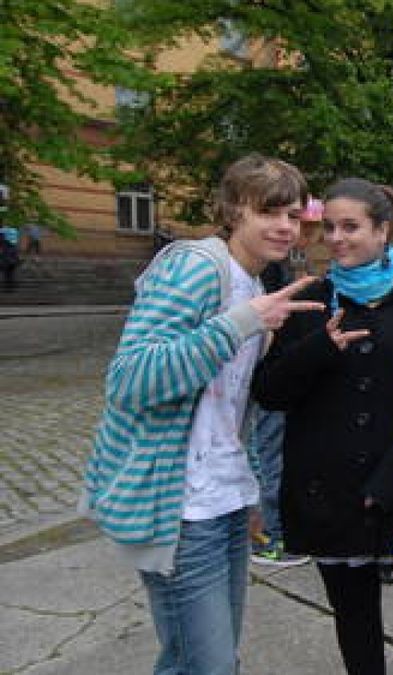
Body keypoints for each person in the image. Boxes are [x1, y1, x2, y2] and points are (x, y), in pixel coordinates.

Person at [80, 154, 321, 674]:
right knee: (206, 664)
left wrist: (249, 486)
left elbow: (232, 408)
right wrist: (239, 325)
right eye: (270, 212)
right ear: (234, 210)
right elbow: (130, 379)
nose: (285, 226)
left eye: (294, 215)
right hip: (180, 506)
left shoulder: (256, 286)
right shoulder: (197, 267)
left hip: (224, 499)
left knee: (200, 660)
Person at [251, 178, 393, 675]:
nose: (336, 238)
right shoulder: (313, 300)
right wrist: (317, 348)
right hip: (330, 494)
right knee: (354, 620)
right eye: (330, 227)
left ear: (383, 230)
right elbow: (269, 392)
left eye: (351, 227)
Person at [248, 258, 311, 568]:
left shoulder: (266, 269)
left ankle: (278, 538)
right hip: (276, 381)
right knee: (270, 456)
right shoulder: (272, 266)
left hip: (272, 383)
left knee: (269, 458)